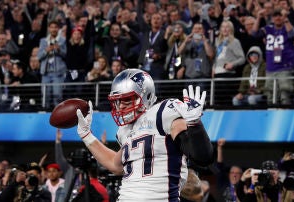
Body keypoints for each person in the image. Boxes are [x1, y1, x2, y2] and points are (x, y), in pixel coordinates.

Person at [75, 68, 214, 201]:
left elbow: (202, 157)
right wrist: (86, 135)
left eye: (126, 99)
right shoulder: (125, 131)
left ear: (146, 96)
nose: (121, 106)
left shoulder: (163, 112)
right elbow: (114, 164)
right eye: (117, 101)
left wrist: (195, 125)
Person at [37, 20, 67, 109]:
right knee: (45, 96)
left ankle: (58, 116)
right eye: (52, 27)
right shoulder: (43, 41)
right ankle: (45, 114)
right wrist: (46, 51)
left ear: (58, 29)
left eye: (55, 27)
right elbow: (39, 56)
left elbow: (65, 55)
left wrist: (58, 50)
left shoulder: (63, 40)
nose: (53, 29)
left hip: (58, 73)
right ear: (49, 29)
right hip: (45, 73)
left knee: (57, 96)